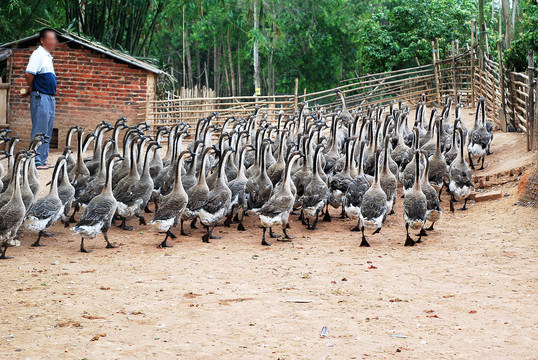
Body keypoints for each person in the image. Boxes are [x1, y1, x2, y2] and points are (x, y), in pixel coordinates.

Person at [24, 28, 59, 169]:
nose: (54, 42)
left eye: (55, 39)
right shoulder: (38, 54)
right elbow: (29, 73)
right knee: (40, 129)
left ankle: (42, 159)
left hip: (49, 97)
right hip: (41, 96)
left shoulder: (47, 57)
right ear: (43, 41)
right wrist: (33, 88)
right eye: (51, 39)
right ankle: (35, 161)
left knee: (47, 130)